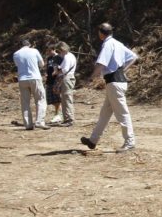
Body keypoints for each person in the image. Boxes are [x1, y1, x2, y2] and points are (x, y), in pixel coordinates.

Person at [80, 23, 138, 153]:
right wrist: (123, 70)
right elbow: (134, 57)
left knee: (122, 113)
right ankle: (93, 140)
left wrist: (91, 78)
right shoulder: (118, 43)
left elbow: (101, 63)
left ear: (101, 33)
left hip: (114, 82)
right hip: (117, 81)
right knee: (105, 113)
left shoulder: (108, 44)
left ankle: (130, 142)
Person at [13, 38, 48, 130]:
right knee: (40, 99)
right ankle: (40, 121)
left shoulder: (16, 54)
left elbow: (17, 65)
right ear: (29, 44)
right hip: (35, 77)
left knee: (25, 102)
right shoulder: (34, 51)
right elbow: (42, 64)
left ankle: (28, 124)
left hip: (22, 79)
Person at [55, 42, 77, 126]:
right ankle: (67, 118)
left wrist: (57, 71)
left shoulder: (67, 57)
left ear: (62, 49)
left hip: (67, 78)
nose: (58, 53)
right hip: (68, 78)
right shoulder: (70, 56)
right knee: (65, 99)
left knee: (67, 99)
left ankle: (69, 119)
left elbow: (64, 69)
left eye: (59, 51)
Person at [45, 47, 63, 124]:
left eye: (50, 50)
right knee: (50, 99)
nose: (49, 52)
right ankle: (58, 114)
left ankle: (58, 115)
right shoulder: (49, 58)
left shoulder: (59, 57)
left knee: (57, 98)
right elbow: (48, 67)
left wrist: (57, 73)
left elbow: (61, 68)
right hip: (49, 80)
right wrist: (46, 73)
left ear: (54, 49)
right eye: (47, 50)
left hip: (56, 80)